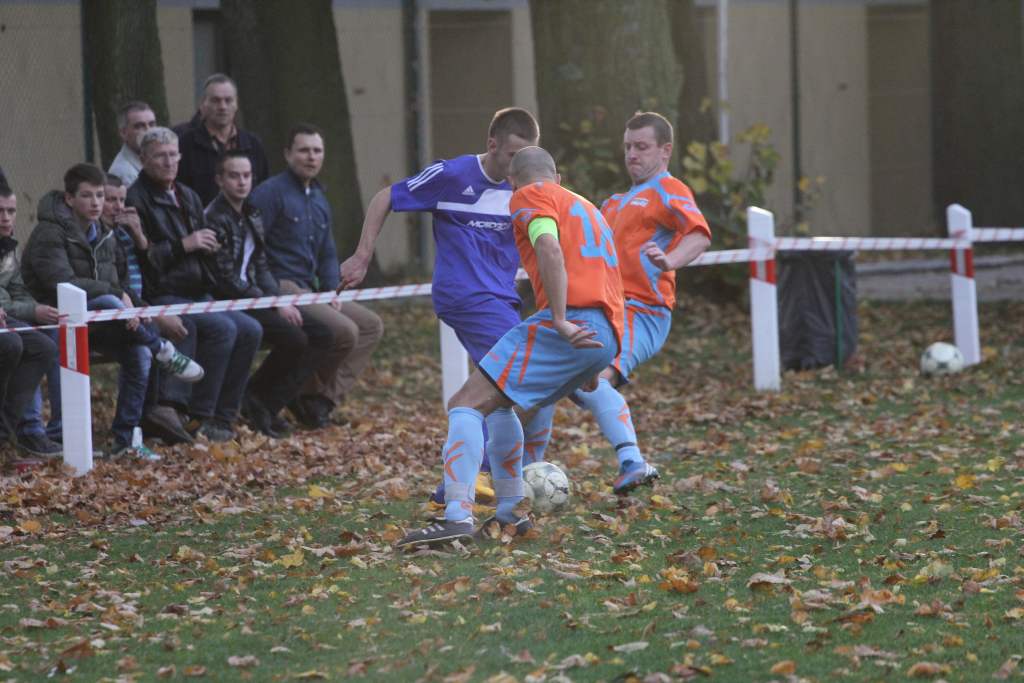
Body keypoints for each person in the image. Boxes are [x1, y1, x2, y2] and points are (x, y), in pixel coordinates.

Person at [396, 146, 625, 548]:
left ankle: (456, 517)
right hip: (605, 330)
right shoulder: (588, 209)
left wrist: (557, 319)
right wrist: (594, 359)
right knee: (500, 403)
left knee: (466, 403)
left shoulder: (529, 195)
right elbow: (606, 279)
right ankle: (510, 514)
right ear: (558, 174)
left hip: (571, 322)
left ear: (513, 180)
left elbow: (548, 247)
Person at [339, 107, 547, 509]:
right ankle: (494, 477)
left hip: (502, 300)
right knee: (520, 380)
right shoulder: (451, 175)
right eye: (511, 157)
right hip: (466, 295)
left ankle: (467, 485)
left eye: (525, 159)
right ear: (492, 145)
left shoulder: (524, 186)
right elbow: (387, 197)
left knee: (506, 389)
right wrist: (363, 255)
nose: (515, 169)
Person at [530, 112, 711, 494]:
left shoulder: (668, 188)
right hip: (604, 310)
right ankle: (529, 471)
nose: (632, 154)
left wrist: (671, 261)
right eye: (628, 146)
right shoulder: (611, 203)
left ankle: (633, 462)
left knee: (590, 383)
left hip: (643, 312)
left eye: (641, 147)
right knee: (546, 379)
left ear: (666, 151)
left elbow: (699, 235)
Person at [21, 163, 204, 457]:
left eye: (99, 196)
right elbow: (63, 284)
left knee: (138, 352)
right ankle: (162, 349)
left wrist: (140, 309)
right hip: (54, 320)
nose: (96, 203)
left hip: (98, 322)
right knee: (109, 303)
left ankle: (125, 438)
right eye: (87, 196)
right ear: (69, 199)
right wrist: (117, 297)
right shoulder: (49, 233)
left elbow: (121, 285)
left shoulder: (106, 234)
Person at [127, 127, 262, 442]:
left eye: (173, 154)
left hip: (199, 291)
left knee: (250, 329)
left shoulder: (187, 194)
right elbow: (146, 258)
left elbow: (203, 244)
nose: (169, 161)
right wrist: (184, 245)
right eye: (160, 155)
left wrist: (209, 248)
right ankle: (193, 414)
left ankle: (223, 416)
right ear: (144, 159)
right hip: (162, 293)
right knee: (222, 328)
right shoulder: (137, 198)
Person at [250, 123, 382, 429]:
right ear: (287, 154)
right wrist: (269, 290)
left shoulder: (319, 198)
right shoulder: (269, 194)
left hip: (312, 288)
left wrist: (333, 292)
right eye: (304, 150)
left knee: (371, 326)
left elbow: (326, 253)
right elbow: (254, 249)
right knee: (345, 331)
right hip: (279, 283)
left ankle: (319, 400)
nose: (311, 157)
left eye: (317, 150)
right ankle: (300, 394)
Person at [204, 151, 333, 437]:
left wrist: (277, 299)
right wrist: (271, 304)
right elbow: (224, 277)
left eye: (246, 176)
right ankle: (255, 399)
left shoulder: (251, 214)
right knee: (294, 337)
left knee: (323, 334)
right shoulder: (214, 217)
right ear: (219, 180)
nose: (241, 182)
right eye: (234, 176)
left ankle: (266, 402)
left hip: (258, 295)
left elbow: (260, 264)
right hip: (230, 300)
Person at [103, 173, 195, 445]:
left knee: (191, 324)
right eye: (110, 199)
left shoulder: (125, 233)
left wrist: (141, 238)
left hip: (139, 306)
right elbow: (112, 285)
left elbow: (154, 275)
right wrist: (147, 311)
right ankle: (158, 401)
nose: (117, 206)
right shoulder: (100, 236)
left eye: (121, 199)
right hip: (114, 312)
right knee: (148, 337)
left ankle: (162, 414)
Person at [0, 183, 61, 457]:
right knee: (12, 344)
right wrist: (30, 312)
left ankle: (5, 432)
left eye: (11, 211)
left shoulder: (8, 247)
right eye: (0, 211)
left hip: (6, 319)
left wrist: (36, 308)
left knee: (44, 346)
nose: (6, 218)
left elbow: (16, 288)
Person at [174, 74, 270, 206]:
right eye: (215, 100)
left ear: (236, 104)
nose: (223, 106)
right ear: (203, 105)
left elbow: (262, 191)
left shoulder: (253, 144)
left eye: (228, 100)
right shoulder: (185, 144)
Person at [108, 101, 158, 188]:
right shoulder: (124, 174)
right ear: (123, 132)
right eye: (139, 126)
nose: (148, 131)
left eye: (152, 124)